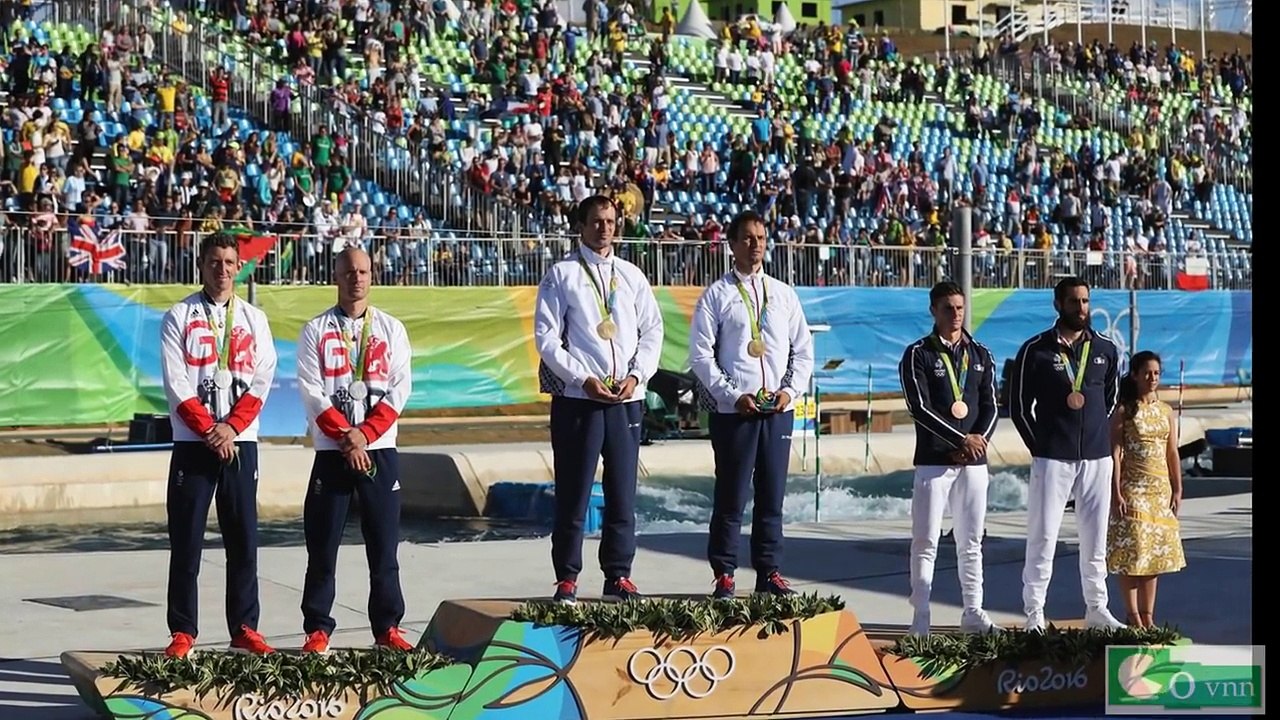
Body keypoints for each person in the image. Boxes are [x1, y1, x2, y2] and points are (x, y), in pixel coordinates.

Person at [534, 195, 665, 604]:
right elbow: (547, 339)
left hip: (626, 398)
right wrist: (583, 378)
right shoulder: (562, 275)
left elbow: (652, 331)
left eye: (610, 221)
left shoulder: (631, 275)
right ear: (581, 224)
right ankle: (568, 578)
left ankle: (619, 574)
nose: (604, 228)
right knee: (573, 491)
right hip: (580, 398)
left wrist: (636, 375)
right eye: (596, 221)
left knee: (623, 491)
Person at [159, 233, 278, 658]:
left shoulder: (254, 319)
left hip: (240, 443)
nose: (223, 270)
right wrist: (211, 429)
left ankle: (245, 628)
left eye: (230, 262)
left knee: (243, 539)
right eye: (215, 262)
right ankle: (183, 631)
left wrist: (231, 428)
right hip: (194, 443)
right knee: (186, 539)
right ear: (202, 265)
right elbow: (176, 382)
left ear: (237, 267)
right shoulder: (179, 316)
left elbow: (263, 377)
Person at [688, 210, 814, 599]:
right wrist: (731, 396)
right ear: (732, 244)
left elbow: (803, 351)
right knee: (731, 495)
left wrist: (789, 393)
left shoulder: (783, 293)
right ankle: (724, 572)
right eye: (747, 238)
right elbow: (701, 355)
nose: (756, 245)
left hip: (777, 411)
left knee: (772, 495)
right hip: (735, 412)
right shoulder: (718, 295)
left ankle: (768, 572)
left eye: (761, 237)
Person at [296, 246, 414, 653]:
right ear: (336, 276)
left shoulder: (391, 329)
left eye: (363, 271)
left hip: (379, 450)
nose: (356, 278)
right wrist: (347, 437)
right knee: (322, 546)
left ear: (372, 276)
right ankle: (317, 628)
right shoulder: (315, 330)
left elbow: (400, 389)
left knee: (384, 545)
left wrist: (365, 434)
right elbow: (312, 391)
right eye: (349, 272)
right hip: (333, 451)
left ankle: (387, 628)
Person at [1009, 276, 1126, 631]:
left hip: (1096, 458)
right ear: (1058, 304)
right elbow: (1017, 406)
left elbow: (1109, 401)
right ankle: (1034, 611)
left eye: (1086, 301)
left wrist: (1095, 437)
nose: (1081, 308)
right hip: (1052, 458)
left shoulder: (1105, 348)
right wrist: (1041, 446)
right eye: (1074, 302)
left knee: (1094, 538)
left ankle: (1097, 608)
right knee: (1043, 535)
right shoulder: (1036, 350)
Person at [898, 281, 1001, 635]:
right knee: (925, 541)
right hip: (934, 461)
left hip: (973, 464)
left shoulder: (981, 353)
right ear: (933, 311)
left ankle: (973, 612)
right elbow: (919, 408)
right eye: (947, 308)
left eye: (959, 308)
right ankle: (921, 616)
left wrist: (978, 443)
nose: (955, 315)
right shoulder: (918, 354)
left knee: (971, 542)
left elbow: (990, 406)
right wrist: (960, 439)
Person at [1106, 351, 1186, 628]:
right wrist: (1116, 491)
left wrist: (1177, 487)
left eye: (1156, 374)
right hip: (1133, 488)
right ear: (1136, 375)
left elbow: (1172, 451)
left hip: (1159, 490)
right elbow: (1115, 452)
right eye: (1147, 373)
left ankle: (1148, 616)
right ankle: (1132, 615)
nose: (1152, 379)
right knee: (1134, 550)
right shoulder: (1124, 411)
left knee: (1152, 554)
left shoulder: (1165, 411)